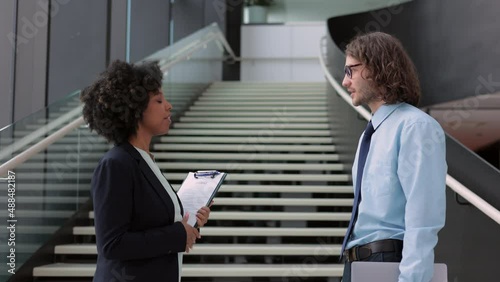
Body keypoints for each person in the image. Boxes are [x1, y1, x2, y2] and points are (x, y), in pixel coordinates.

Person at [80, 60, 211, 282]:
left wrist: (190, 221)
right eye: (159, 100)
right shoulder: (116, 164)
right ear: (135, 109)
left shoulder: (144, 161)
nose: (168, 106)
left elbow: (150, 222)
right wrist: (177, 234)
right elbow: (112, 245)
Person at [339, 32, 447, 282]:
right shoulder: (371, 134)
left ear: (376, 68)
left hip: (389, 263)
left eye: (350, 71)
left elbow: (424, 216)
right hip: (358, 264)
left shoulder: (415, 127)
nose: (345, 82)